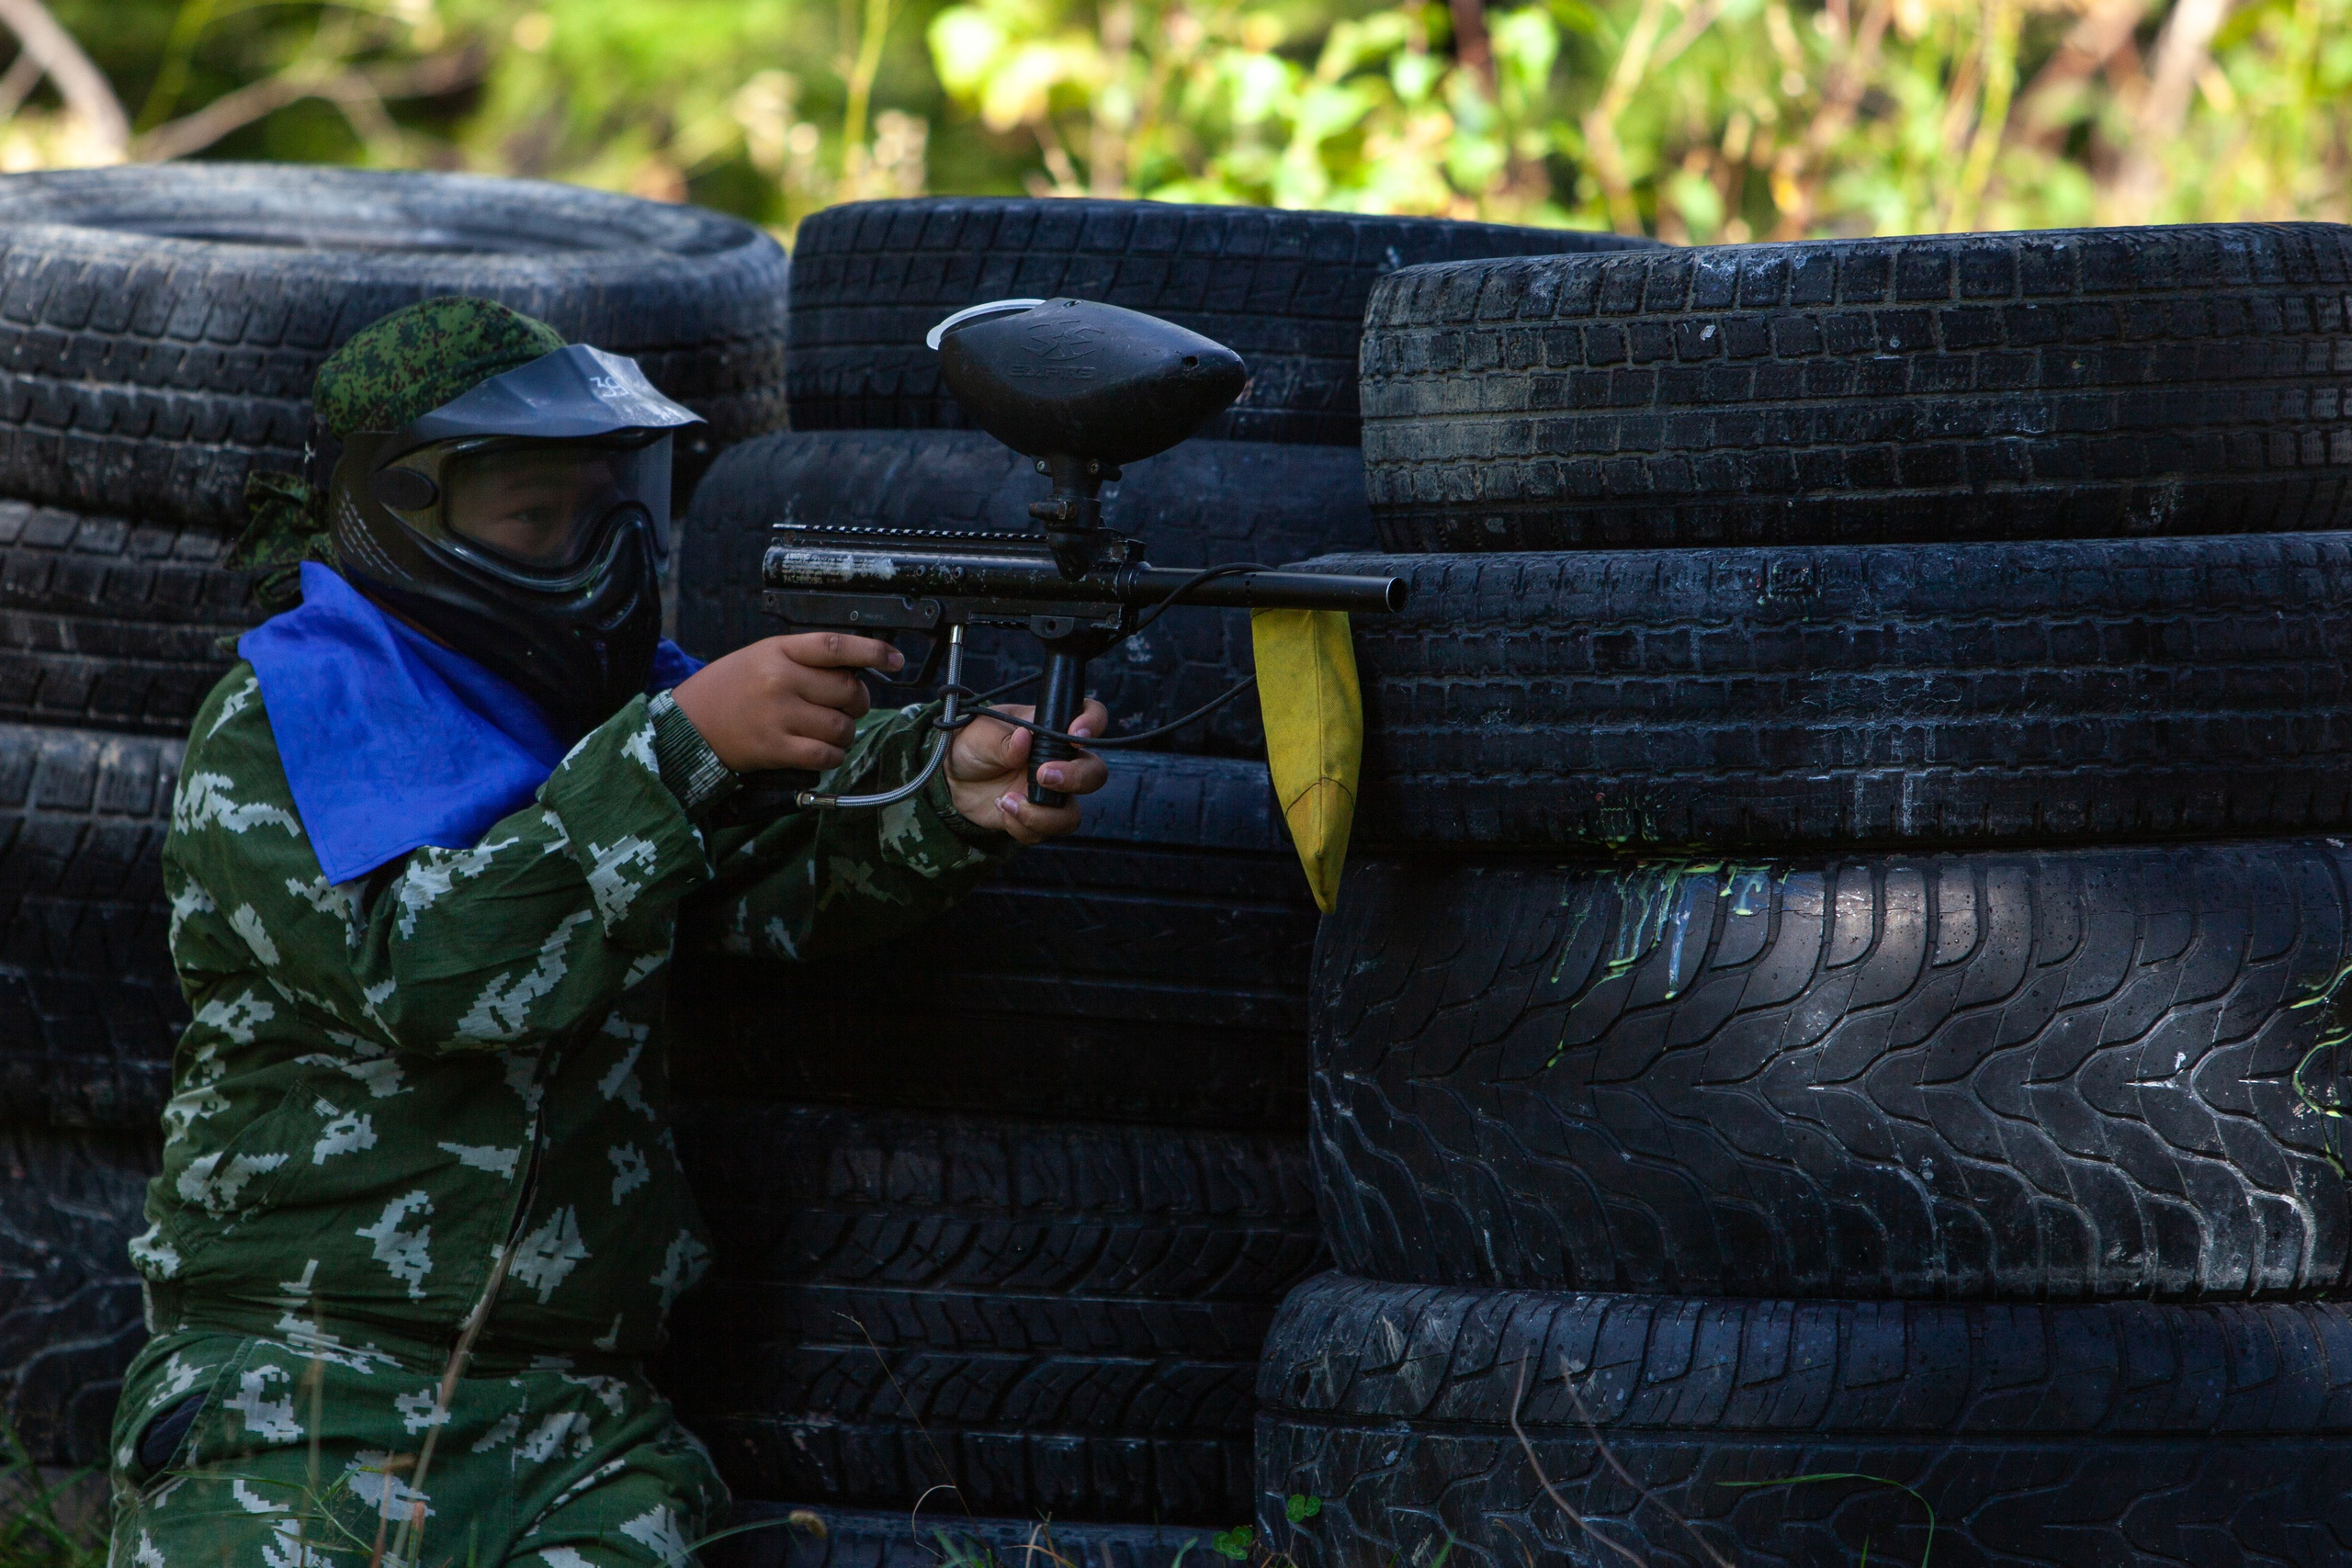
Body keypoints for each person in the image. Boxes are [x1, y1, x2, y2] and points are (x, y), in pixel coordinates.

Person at [103, 298, 1109, 1568]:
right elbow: (433, 966)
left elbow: (759, 880)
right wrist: (680, 744)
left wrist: (947, 791)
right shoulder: (285, 726)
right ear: (402, 510)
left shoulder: (605, 718)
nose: (596, 550)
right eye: (536, 518)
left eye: (611, 506)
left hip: (574, 1416)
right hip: (293, 1382)